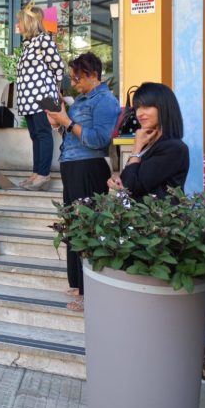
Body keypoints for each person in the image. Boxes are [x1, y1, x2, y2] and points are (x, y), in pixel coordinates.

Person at [45, 53, 121, 312]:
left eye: (77, 77)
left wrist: (67, 121)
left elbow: (99, 139)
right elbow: (74, 133)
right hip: (72, 164)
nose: (74, 82)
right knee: (73, 225)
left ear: (93, 74)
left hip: (89, 166)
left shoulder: (105, 100)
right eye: (72, 78)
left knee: (87, 227)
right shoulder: (81, 99)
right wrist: (58, 123)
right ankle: (78, 284)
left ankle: (90, 292)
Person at [107, 82, 189, 200]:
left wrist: (136, 149)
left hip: (160, 211)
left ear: (163, 108)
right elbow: (127, 182)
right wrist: (118, 183)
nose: (139, 113)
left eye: (146, 107)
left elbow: (131, 187)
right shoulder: (148, 144)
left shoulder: (174, 148)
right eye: (137, 108)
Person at [15, 2, 64, 191]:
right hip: (28, 100)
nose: (18, 24)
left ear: (29, 22)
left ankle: (43, 174)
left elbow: (58, 67)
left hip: (41, 97)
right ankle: (37, 172)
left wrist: (54, 89)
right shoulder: (28, 44)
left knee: (43, 134)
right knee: (35, 135)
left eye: (20, 21)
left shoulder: (44, 40)